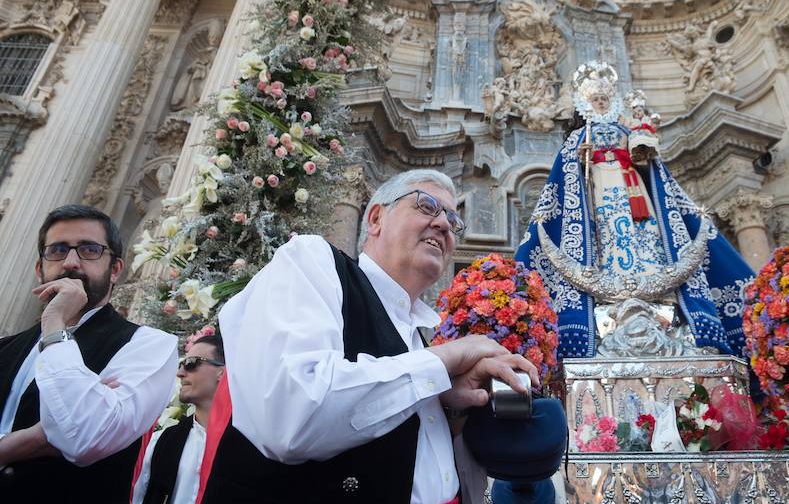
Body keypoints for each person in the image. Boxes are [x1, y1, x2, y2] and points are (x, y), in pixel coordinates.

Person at [201, 170, 539, 504]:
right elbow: (292, 418)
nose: (444, 224)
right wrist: (446, 358)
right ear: (376, 217)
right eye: (426, 206)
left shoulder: (419, 340)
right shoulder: (312, 261)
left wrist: (453, 409)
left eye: (453, 220)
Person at [516, 61, 754, 358]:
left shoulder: (622, 129)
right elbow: (568, 176)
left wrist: (640, 149)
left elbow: (648, 162)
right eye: (595, 100)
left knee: (643, 229)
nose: (601, 103)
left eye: (604, 99)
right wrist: (583, 159)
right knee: (606, 232)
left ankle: (649, 269)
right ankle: (608, 270)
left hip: (632, 189)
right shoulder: (580, 135)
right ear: (586, 104)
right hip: (598, 191)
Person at [0, 205, 177, 503]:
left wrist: (55, 325)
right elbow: (74, 425)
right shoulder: (5, 347)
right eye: (57, 250)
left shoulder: (148, 344)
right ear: (39, 268)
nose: (71, 262)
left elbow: (87, 438)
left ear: (115, 270)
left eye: (89, 250)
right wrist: (34, 440)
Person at [132, 334, 225, 504]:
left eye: (191, 363)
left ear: (222, 372)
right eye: (182, 364)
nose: (180, 373)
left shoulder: (250, 442)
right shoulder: (162, 440)